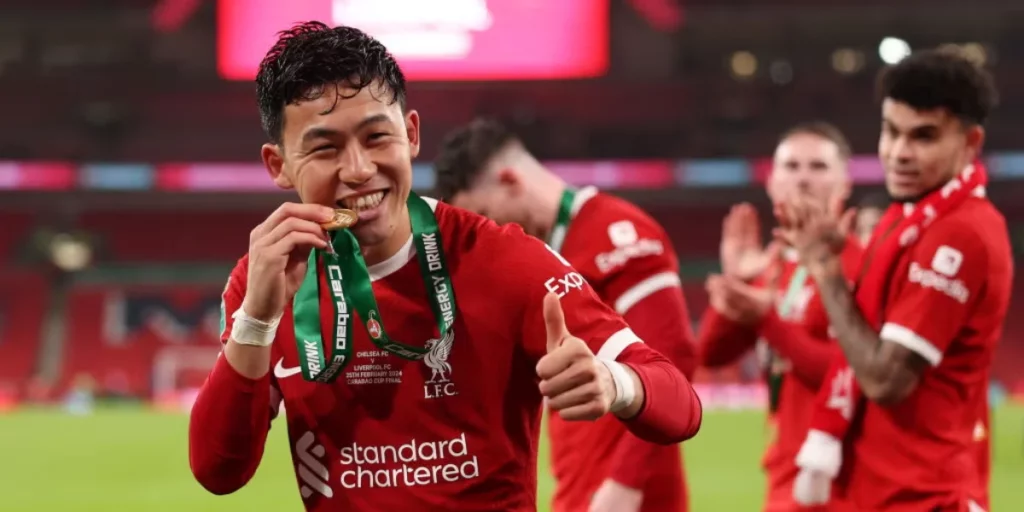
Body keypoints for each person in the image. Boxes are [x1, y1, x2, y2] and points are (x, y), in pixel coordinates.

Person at [187, 22, 702, 512]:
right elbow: (219, 470)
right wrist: (255, 320)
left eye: (376, 137)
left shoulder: (503, 259)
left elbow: (679, 402)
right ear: (279, 166)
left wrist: (615, 383)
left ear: (411, 135)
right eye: (325, 148)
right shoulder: (268, 278)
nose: (360, 170)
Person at [434, 118, 698, 512]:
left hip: (625, 496)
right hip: (579, 485)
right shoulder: (536, 259)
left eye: (485, 215)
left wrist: (624, 486)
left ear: (510, 180)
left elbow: (673, 353)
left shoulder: (619, 233)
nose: (486, 234)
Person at [787, 49, 1011, 512]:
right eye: (891, 131)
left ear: (971, 142)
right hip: (881, 488)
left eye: (923, 136)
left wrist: (826, 271)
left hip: (926, 495)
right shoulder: (905, 213)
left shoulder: (960, 234)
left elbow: (886, 380)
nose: (899, 153)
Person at [697, 121, 862, 512]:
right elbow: (710, 353)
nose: (802, 179)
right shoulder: (774, 265)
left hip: (843, 483)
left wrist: (767, 319)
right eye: (791, 166)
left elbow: (854, 377)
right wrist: (738, 278)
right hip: (783, 475)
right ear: (772, 183)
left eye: (818, 167)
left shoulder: (858, 263)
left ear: (845, 183)